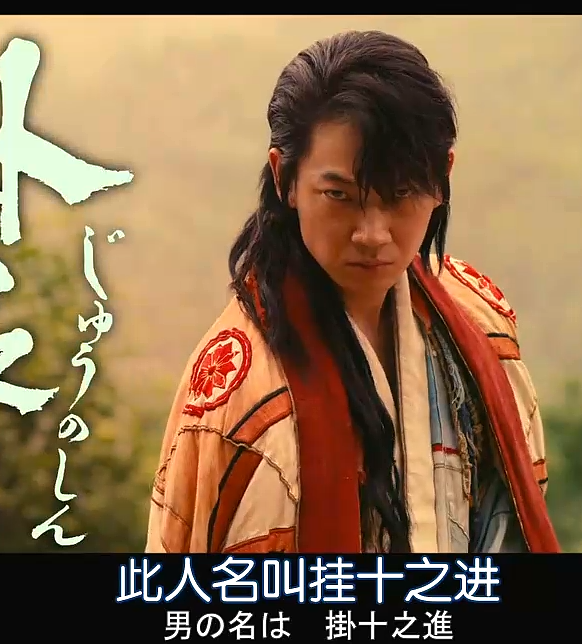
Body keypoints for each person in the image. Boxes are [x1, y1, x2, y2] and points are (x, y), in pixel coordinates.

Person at [146, 31, 559, 554]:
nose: (372, 234)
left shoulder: (482, 322)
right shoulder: (239, 386)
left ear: (443, 177)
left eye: (401, 194)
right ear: (284, 178)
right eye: (339, 195)